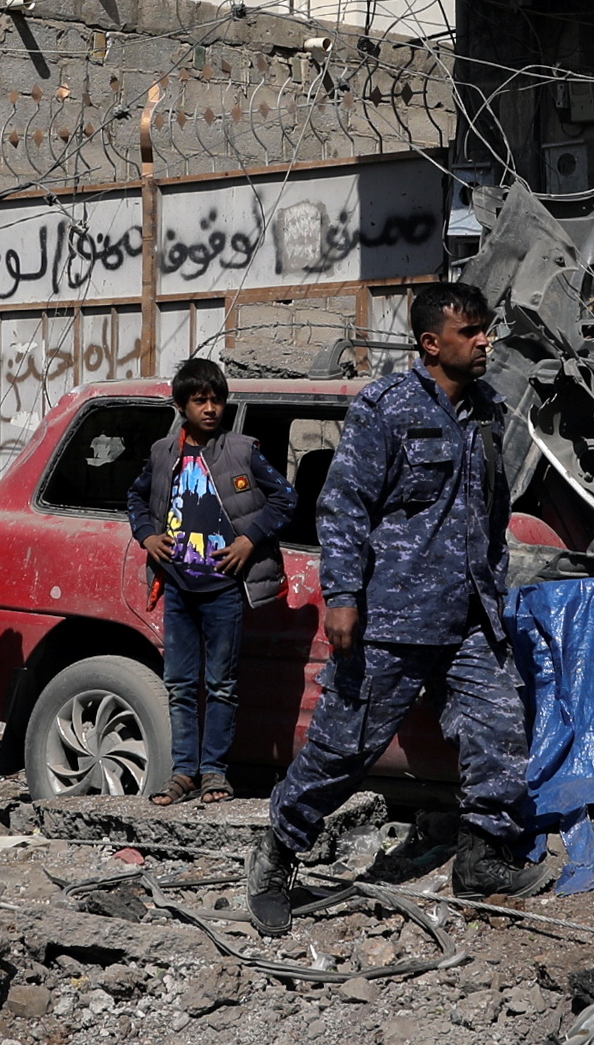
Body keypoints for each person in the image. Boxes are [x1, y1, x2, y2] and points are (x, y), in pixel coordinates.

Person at [247, 280, 547, 933]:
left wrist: (493, 582)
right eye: (471, 332)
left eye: (486, 329)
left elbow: (492, 510)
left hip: (470, 616)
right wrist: (343, 595)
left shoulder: (489, 410)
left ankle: (481, 859)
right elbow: (344, 506)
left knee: (498, 732)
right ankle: (276, 854)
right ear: (432, 343)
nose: (486, 341)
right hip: (393, 616)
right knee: (342, 750)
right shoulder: (385, 408)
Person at [132, 358, 290, 804]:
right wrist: (147, 536)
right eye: (199, 400)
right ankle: (184, 773)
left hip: (223, 589)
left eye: (216, 400)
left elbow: (285, 498)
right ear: (180, 406)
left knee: (221, 685)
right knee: (180, 685)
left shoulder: (242, 450)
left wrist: (249, 541)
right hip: (178, 586)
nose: (210, 409)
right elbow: (135, 497)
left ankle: (215, 772)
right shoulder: (163, 453)